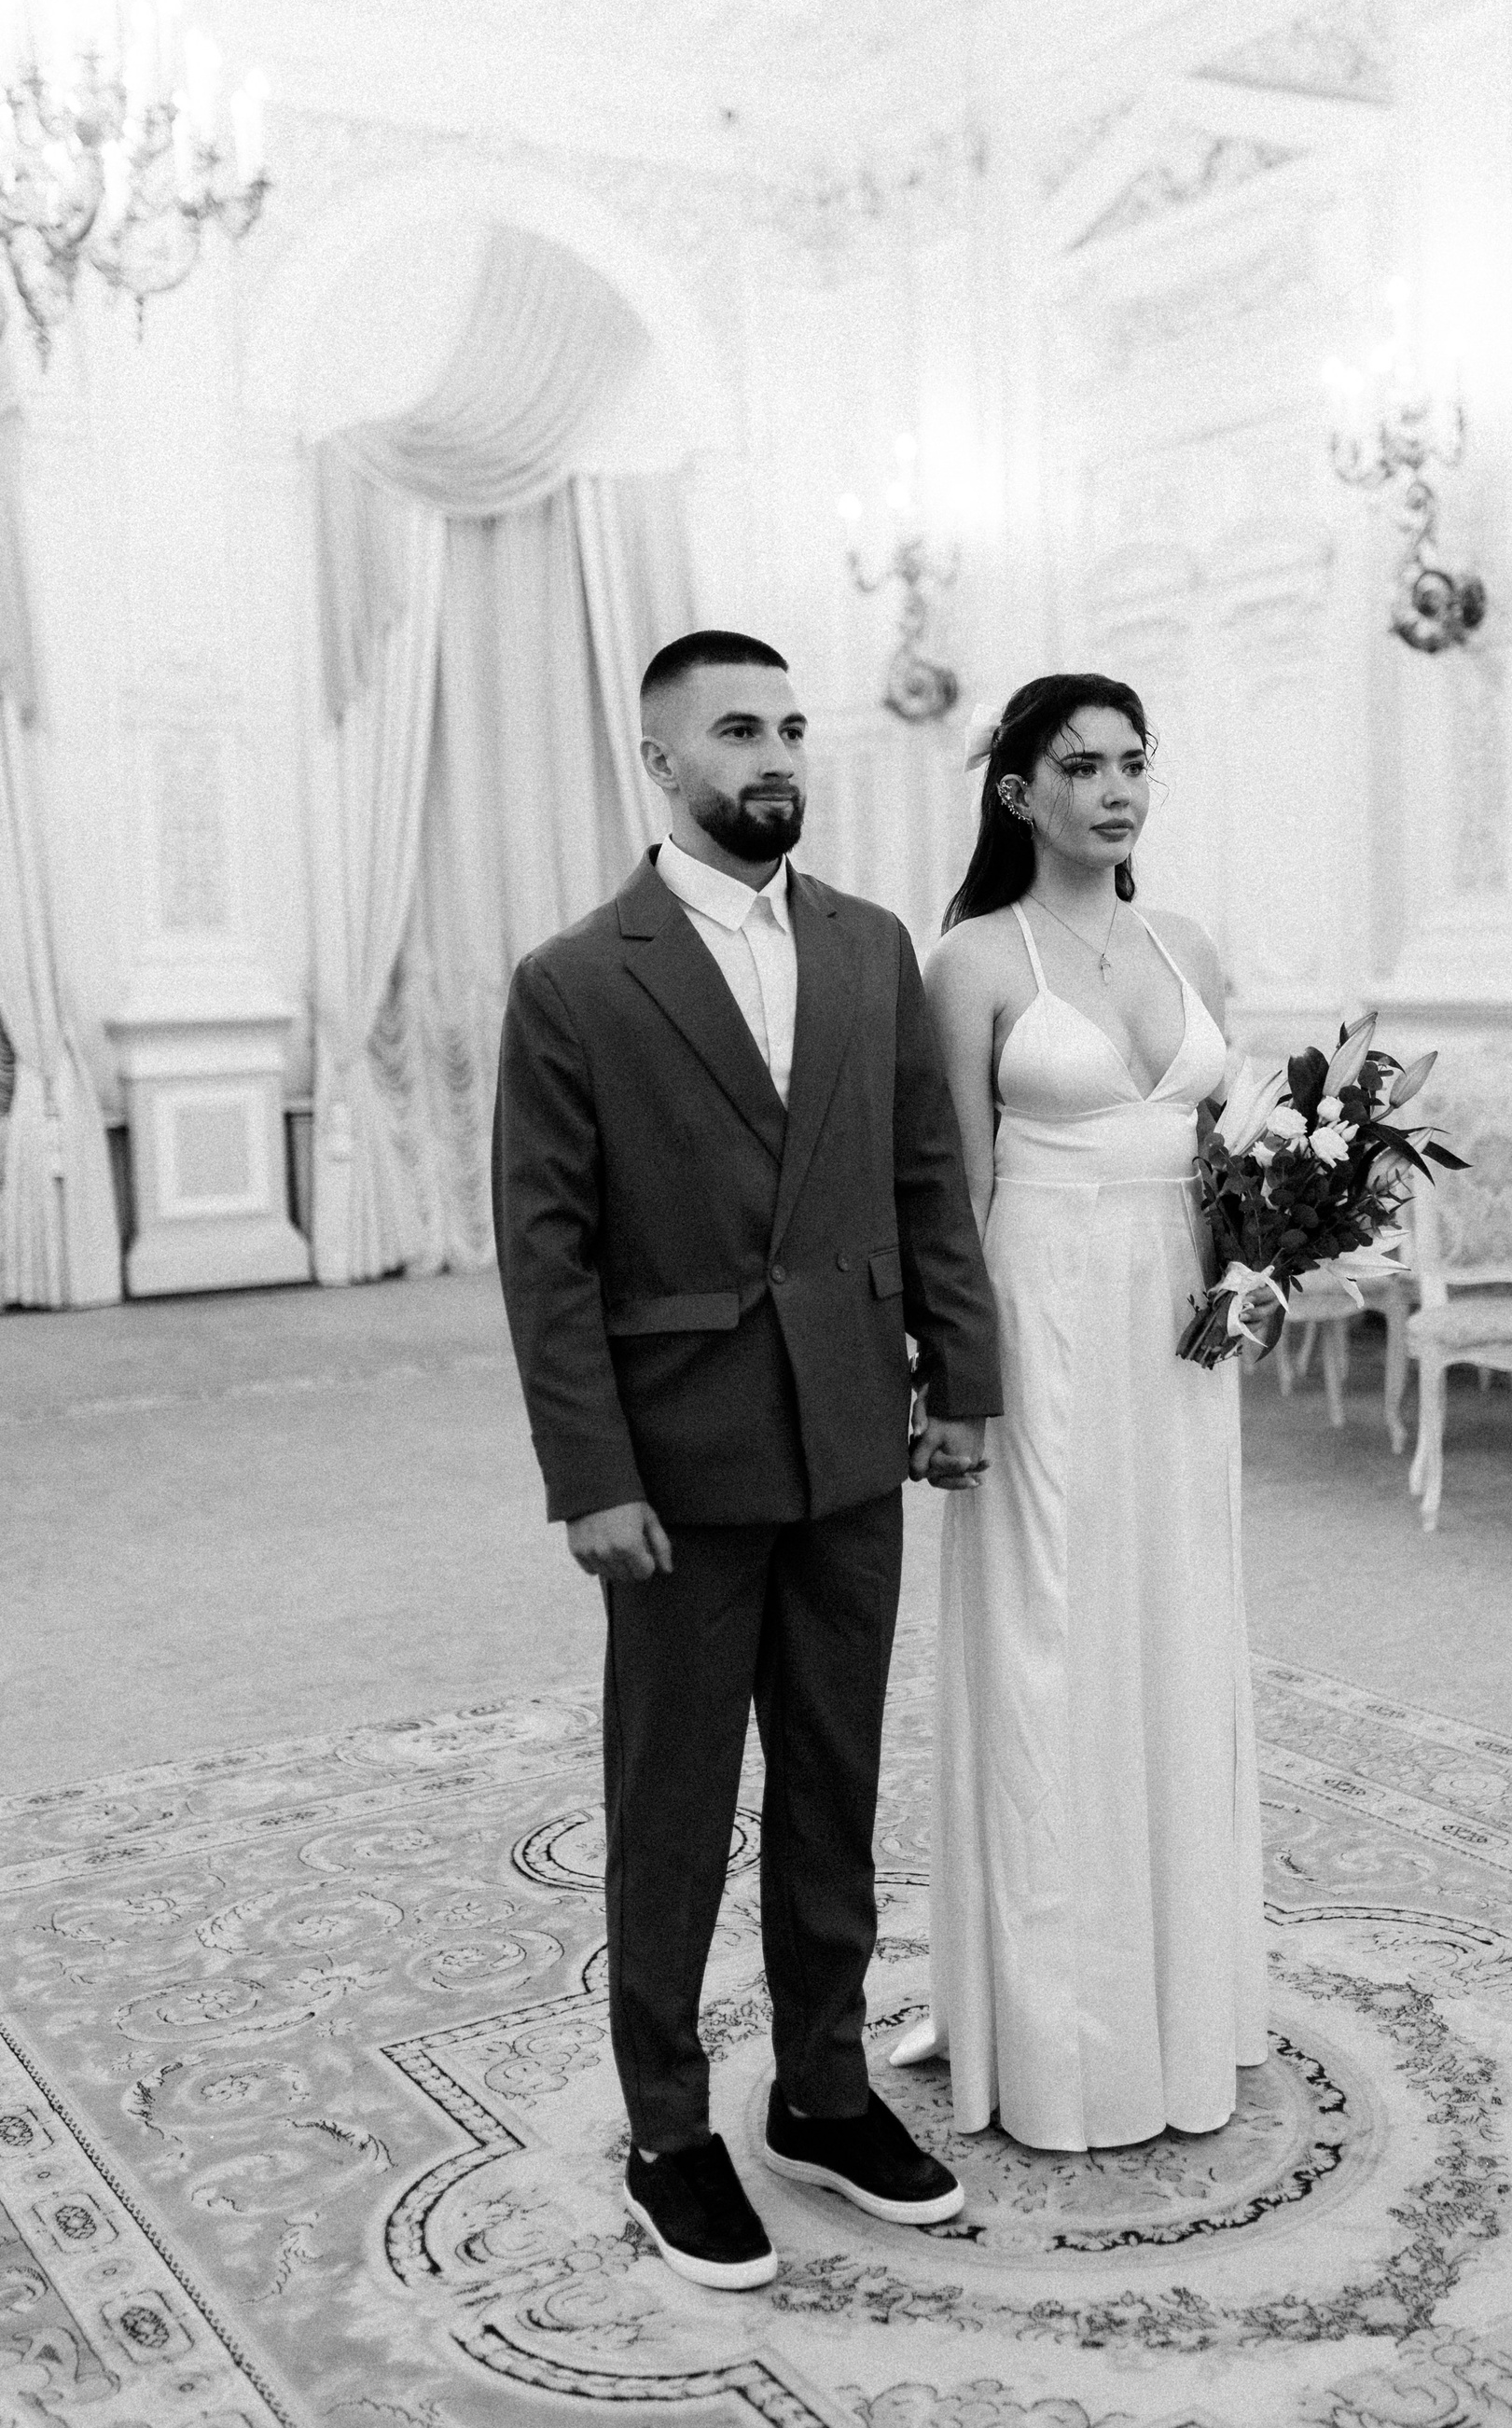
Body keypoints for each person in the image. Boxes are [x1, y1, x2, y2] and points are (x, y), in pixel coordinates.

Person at [492, 630, 1003, 2289]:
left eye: (790, 725)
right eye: (736, 730)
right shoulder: (577, 979)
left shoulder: (869, 946)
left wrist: (962, 1379)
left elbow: (927, 1180)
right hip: (679, 1459)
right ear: (661, 762)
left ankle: (822, 2092)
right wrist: (591, 1476)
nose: (776, 754)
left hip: (852, 1431)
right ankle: (667, 2130)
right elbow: (546, 1256)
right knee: (674, 1799)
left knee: (835, 1783)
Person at [895, 672, 1269, 2152]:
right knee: (1050, 1639)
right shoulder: (973, 958)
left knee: (1174, 1621)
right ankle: (1051, 2035)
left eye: (1132, 763)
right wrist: (957, 1382)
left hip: (1177, 1332)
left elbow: (1230, 1158)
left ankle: (1184, 1995)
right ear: (1018, 793)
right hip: (1041, 1311)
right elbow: (952, 1190)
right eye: (1080, 766)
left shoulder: (1189, 944)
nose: (1115, 790)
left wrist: (1256, 1273)